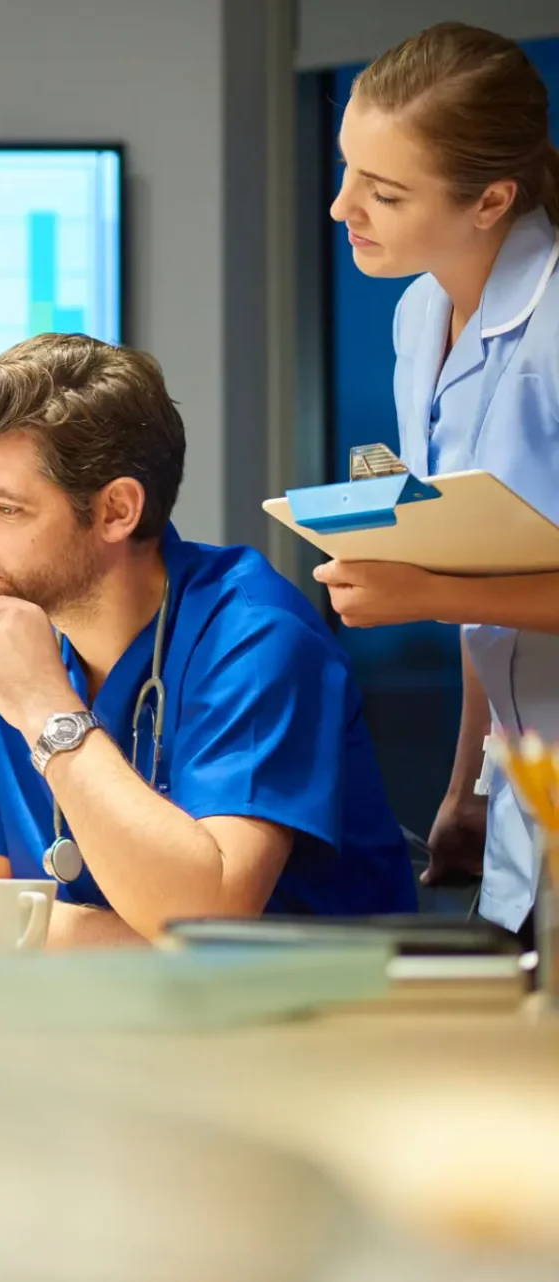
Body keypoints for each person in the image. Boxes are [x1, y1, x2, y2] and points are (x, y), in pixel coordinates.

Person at [0, 334, 417, 950]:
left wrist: (48, 708)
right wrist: (152, 939)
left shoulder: (255, 637)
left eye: (5, 509)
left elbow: (206, 920)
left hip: (302, 1032)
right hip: (83, 1032)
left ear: (117, 510)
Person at [316, 21, 559, 942]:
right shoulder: (420, 316)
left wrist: (421, 591)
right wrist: (468, 786)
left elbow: (462, 583)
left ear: (491, 199)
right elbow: (477, 554)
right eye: (347, 172)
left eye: (382, 192)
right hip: (525, 782)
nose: (343, 209)